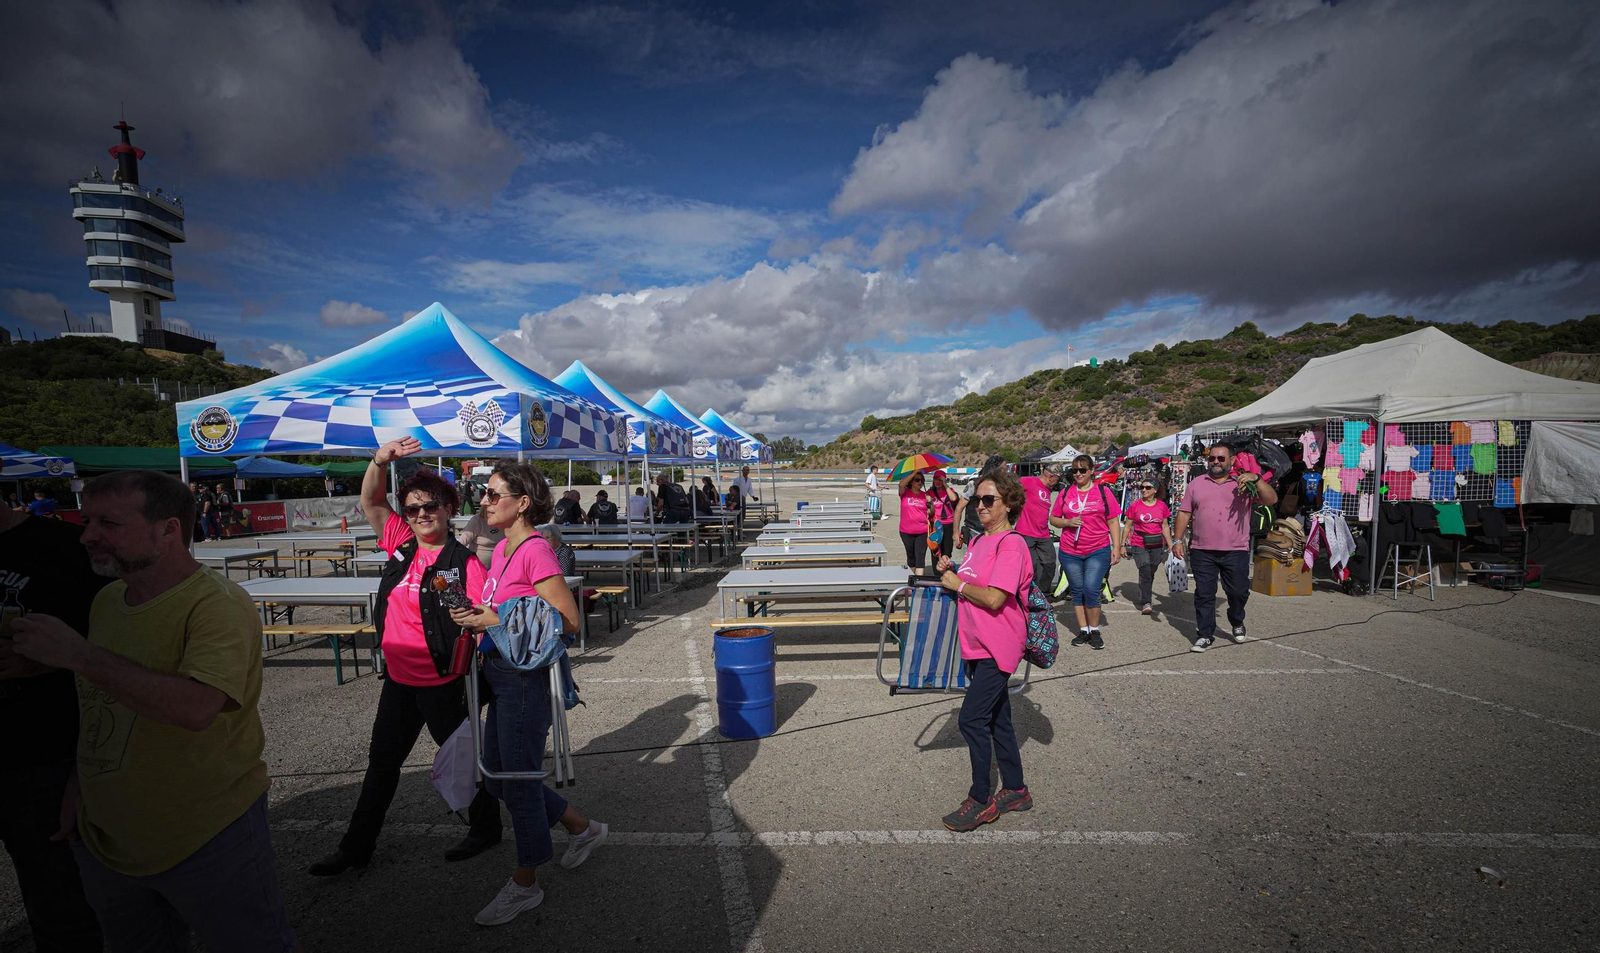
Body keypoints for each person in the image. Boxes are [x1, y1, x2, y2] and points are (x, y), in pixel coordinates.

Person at [10, 470, 301, 952]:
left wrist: (78, 654)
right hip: (107, 837)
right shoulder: (107, 599)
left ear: (168, 530)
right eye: (87, 522)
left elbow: (196, 708)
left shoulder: (217, 605)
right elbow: (100, 705)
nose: (88, 536)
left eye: (108, 523)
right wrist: (81, 786)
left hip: (208, 834)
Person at [309, 437, 501, 876]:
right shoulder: (400, 542)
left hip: (443, 684)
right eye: (412, 508)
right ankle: (356, 847)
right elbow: (371, 500)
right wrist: (379, 459)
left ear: (450, 508)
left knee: (464, 762)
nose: (420, 515)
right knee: (381, 764)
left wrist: (472, 618)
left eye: (430, 506)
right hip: (399, 680)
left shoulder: (465, 562)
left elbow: (483, 619)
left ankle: (486, 828)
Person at [449, 463, 607, 926]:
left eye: (493, 494)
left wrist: (493, 621)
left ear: (522, 503)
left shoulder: (536, 550)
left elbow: (569, 620)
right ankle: (582, 828)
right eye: (483, 493)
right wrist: (480, 613)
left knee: (516, 781)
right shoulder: (500, 550)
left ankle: (525, 884)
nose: (483, 501)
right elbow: (511, 607)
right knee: (498, 778)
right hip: (498, 671)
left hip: (524, 678)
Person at [0, 490, 110, 951]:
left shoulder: (70, 547)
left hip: (42, 761)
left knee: (63, 913)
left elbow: (135, 651)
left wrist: (59, 659)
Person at [933, 467, 1032, 832]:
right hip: (976, 644)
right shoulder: (977, 541)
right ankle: (1017, 790)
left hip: (999, 645)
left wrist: (958, 585)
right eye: (977, 499)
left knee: (971, 719)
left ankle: (980, 799)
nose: (980, 505)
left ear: (1008, 503)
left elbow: (993, 597)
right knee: (997, 719)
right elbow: (973, 580)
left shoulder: (1012, 544)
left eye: (988, 499)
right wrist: (952, 569)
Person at [1172, 443, 1277, 652]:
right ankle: (1204, 634)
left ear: (1230, 461)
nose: (1216, 462)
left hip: (1235, 549)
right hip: (1202, 549)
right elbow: (1184, 513)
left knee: (1238, 592)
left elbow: (1271, 499)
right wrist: (1177, 540)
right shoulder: (1197, 483)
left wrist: (1256, 478)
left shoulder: (1243, 483)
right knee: (1204, 594)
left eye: (1221, 458)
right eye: (1212, 458)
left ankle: (1236, 620)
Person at [1050, 454, 1122, 649]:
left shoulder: (1103, 491)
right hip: (1070, 550)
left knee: (1091, 588)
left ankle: (1095, 629)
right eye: (1075, 470)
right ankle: (1084, 631)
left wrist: (1116, 547)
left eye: (1083, 470)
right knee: (1077, 591)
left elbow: (1113, 521)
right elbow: (1053, 519)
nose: (1078, 474)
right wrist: (1067, 522)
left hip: (1097, 549)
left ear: (1092, 471)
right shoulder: (1066, 493)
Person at [1120, 480, 1173, 615]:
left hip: (1156, 543)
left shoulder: (1162, 506)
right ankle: (1146, 601)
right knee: (1145, 569)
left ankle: (1143, 589)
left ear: (1155, 490)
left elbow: (1165, 526)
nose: (1144, 490)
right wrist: (1122, 545)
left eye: (1148, 487)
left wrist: (1171, 544)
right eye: (1141, 487)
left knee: (1151, 570)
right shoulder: (1135, 506)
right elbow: (1127, 526)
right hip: (1139, 542)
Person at [1012, 462, 1061, 592]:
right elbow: (1010, 488)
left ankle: (1042, 594)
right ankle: (1029, 596)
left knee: (1049, 565)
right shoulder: (1029, 481)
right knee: (1031, 567)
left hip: (1043, 534)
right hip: (1026, 532)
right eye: (1057, 479)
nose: (1057, 483)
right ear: (1051, 476)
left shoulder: (1047, 489)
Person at [896, 470, 931, 570]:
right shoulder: (905, 493)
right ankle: (912, 578)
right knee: (911, 556)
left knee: (920, 556)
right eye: (917, 480)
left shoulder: (926, 496)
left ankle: (919, 583)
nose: (920, 482)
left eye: (922, 480)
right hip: (906, 531)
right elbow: (901, 484)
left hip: (922, 531)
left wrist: (930, 505)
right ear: (911, 481)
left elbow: (931, 513)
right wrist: (914, 472)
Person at [927, 469, 960, 562]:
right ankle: (936, 573)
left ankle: (945, 570)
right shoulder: (930, 493)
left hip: (948, 524)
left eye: (940, 479)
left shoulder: (950, 491)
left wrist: (945, 485)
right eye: (936, 479)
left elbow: (953, 499)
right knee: (935, 548)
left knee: (947, 550)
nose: (938, 482)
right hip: (936, 524)